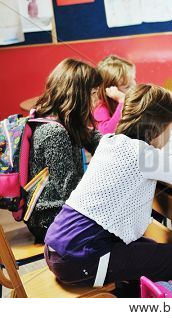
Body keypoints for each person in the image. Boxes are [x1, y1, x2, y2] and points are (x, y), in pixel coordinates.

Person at [44, 84, 172, 297]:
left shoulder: (110, 142)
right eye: (169, 130)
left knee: (151, 248)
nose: (169, 137)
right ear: (156, 128)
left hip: (58, 247)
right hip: (81, 256)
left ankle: (137, 291)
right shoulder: (143, 155)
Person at [26, 58, 103, 243]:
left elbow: (100, 142)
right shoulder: (54, 131)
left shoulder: (68, 123)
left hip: (59, 213)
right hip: (48, 219)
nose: (97, 100)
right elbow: (70, 190)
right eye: (93, 93)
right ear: (78, 94)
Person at [93, 55, 136, 134]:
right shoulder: (100, 108)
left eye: (134, 80)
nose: (134, 87)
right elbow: (106, 132)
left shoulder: (132, 101)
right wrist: (122, 102)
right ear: (111, 90)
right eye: (127, 86)